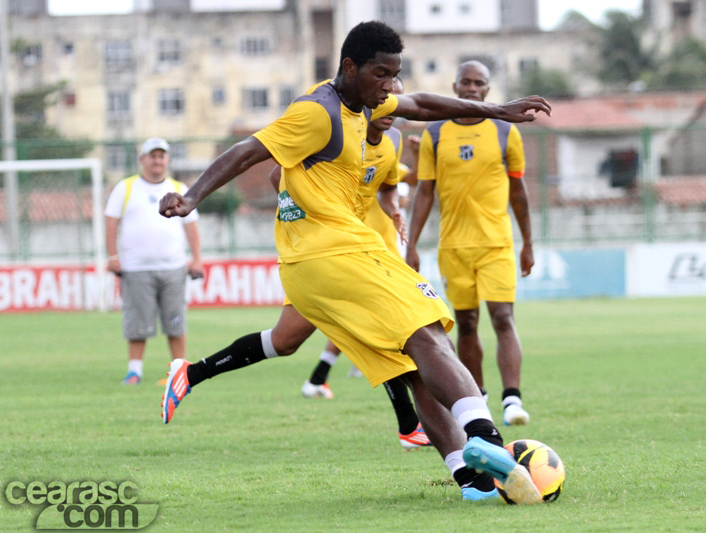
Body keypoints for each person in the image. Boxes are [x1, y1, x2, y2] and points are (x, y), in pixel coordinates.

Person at [159, 21, 551, 503]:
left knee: (409, 365)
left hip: (316, 266)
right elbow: (247, 152)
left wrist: (494, 109)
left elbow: (423, 104)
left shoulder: (366, 109)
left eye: (395, 75)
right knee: (428, 332)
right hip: (334, 252)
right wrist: (190, 196)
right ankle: (489, 443)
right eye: (382, 75)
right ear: (350, 67)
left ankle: (473, 484)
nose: (390, 87)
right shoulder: (317, 113)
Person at [300, 78, 431, 450]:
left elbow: (399, 182)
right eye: (383, 94)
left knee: (302, 336)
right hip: (346, 250)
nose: (390, 102)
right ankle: (416, 424)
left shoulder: (392, 143)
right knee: (378, 331)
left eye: (395, 96)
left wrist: (394, 206)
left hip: (383, 248)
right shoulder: (338, 141)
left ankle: (317, 379)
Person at [406, 60, 534, 427]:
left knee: (503, 317)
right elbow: (425, 192)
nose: (472, 88)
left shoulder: (505, 132)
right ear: (455, 86)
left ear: (488, 91)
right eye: (466, 82)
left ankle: (513, 401)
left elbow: (518, 191)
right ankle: (479, 400)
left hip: (496, 243)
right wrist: (411, 244)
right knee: (465, 322)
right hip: (453, 246)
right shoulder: (434, 133)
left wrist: (528, 243)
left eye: (479, 83)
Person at [105, 137, 203, 385]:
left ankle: (179, 372)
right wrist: (112, 256)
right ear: (142, 159)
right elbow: (111, 222)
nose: (157, 160)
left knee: (175, 320)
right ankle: (134, 371)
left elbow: (191, 226)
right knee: (137, 321)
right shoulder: (125, 188)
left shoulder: (179, 189)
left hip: (173, 267)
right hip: (136, 268)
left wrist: (197, 259)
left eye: (162, 156)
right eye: (152, 155)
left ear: (168, 160)